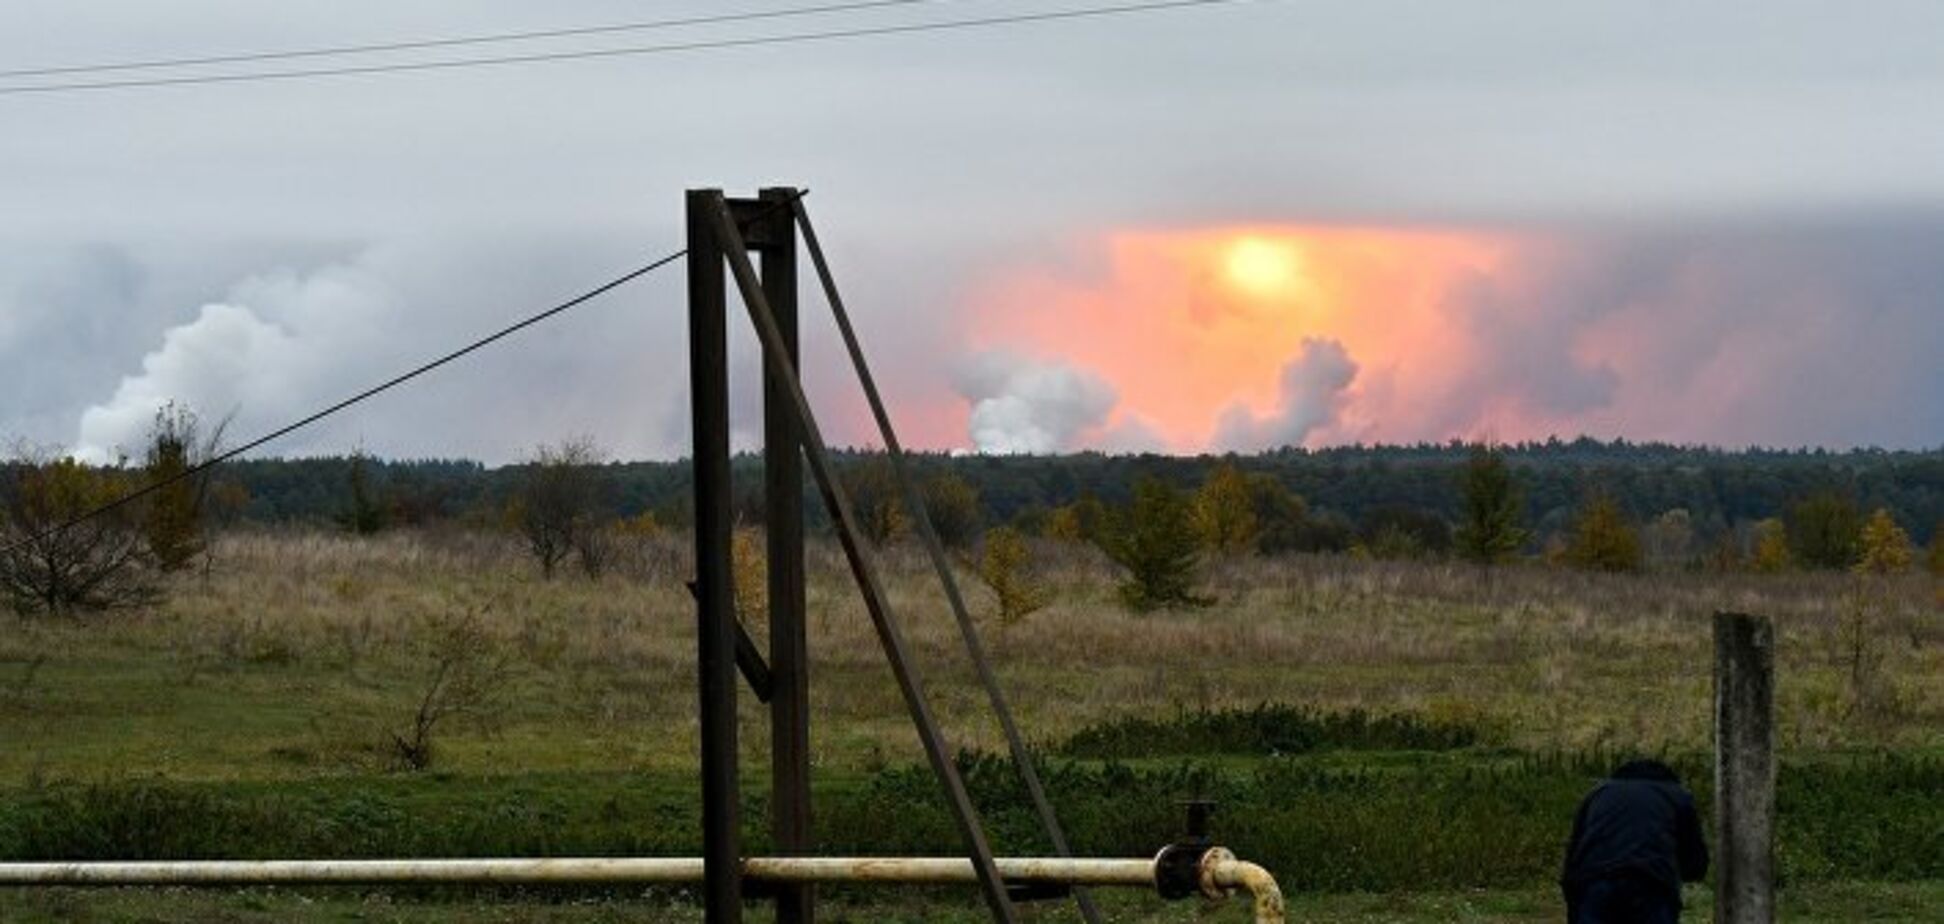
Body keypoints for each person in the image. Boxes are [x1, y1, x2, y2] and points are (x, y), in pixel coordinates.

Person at [1561, 758, 1709, 923]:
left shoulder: (1598, 793)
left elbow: (1573, 853)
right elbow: (1695, 858)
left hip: (1596, 882)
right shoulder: (1677, 795)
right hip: (1651, 883)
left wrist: (1573, 901)